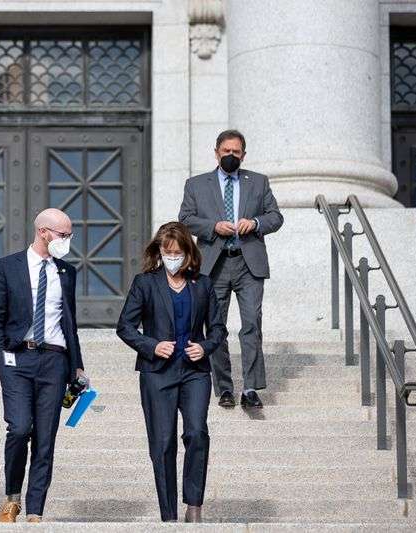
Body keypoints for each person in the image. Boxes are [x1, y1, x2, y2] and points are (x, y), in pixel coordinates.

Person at [117, 221, 227, 523]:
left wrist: (205, 347)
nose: (173, 258)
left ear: (188, 253)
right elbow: (125, 327)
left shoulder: (202, 284)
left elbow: (218, 328)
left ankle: (194, 505)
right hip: (157, 373)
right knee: (163, 442)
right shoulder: (145, 283)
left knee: (196, 432)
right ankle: (169, 515)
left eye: (178, 252)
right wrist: (151, 346)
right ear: (159, 253)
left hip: (194, 372)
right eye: (167, 253)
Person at [0, 208, 87, 523]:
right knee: (18, 428)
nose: (67, 240)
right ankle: (11, 498)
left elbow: (70, 321)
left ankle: (35, 510)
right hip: (18, 358)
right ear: (43, 232)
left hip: (55, 360)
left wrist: (77, 366)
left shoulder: (67, 272)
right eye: (63, 234)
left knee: (46, 437)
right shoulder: (6, 267)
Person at [178, 129, 283, 409]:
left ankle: (250, 388)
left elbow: (275, 216)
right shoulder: (196, 184)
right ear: (216, 152)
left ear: (243, 155)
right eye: (226, 151)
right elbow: (185, 219)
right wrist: (212, 227)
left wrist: (257, 223)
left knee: (251, 325)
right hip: (214, 265)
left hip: (249, 263)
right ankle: (224, 387)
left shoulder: (258, 182)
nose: (231, 156)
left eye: (236, 152)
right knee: (216, 327)